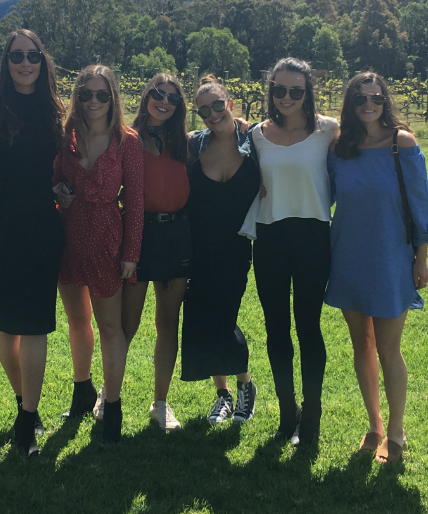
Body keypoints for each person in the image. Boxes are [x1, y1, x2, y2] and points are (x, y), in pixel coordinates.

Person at [327, 72, 428, 465]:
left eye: (375, 98)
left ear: (385, 100)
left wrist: (421, 258)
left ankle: (396, 430)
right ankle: (374, 424)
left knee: (390, 348)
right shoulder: (340, 147)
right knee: (363, 345)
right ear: (351, 104)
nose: (368, 105)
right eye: (360, 99)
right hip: (347, 255)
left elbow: (421, 204)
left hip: (392, 258)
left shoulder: (401, 144)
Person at [0, 30, 66, 457]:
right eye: (17, 55)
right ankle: (21, 400)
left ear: (42, 60)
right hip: (0, 227)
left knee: (35, 323)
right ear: (6, 61)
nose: (25, 62)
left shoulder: (55, 108)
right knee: (4, 325)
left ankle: (28, 418)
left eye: (32, 55)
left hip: (44, 227)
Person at [248, 57, 337, 446]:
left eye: (296, 90)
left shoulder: (327, 130)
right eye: (280, 90)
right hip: (269, 239)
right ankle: (288, 413)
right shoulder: (255, 134)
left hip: (313, 237)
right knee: (275, 330)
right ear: (271, 92)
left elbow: (373, 131)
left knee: (308, 327)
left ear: (308, 93)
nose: (287, 97)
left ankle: (312, 415)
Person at [53, 65, 143, 443]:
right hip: (69, 235)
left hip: (108, 235)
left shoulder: (127, 142)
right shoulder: (66, 137)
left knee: (110, 327)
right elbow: (54, 177)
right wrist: (60, 191)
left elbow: (136, 201)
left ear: (113, 99)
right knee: (77, 322)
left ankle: (113, 406)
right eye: (86, 94)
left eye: (101, 95)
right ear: (77, 97)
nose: (93, 101)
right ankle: (81, 389)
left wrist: (131, 253)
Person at [182, 76, 259, 425]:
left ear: (229, 103)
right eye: (203, 110)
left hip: (237, 246)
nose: (211, 114)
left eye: (217, 105)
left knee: (223, 318)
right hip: (198, 247)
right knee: (202, 316)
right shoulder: (193, 146)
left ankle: (245, 385)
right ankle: (224, 395)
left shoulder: (255, 141)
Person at [120, 73, 192, 431]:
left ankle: (161, 403)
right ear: (147, 94)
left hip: (176, 233)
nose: (164, 101)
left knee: (168, 322)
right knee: (126, 323)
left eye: (173, 98)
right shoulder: (127, 137)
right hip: (137, 232)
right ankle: (109, 392)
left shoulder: (185, 141)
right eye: (158, 94)